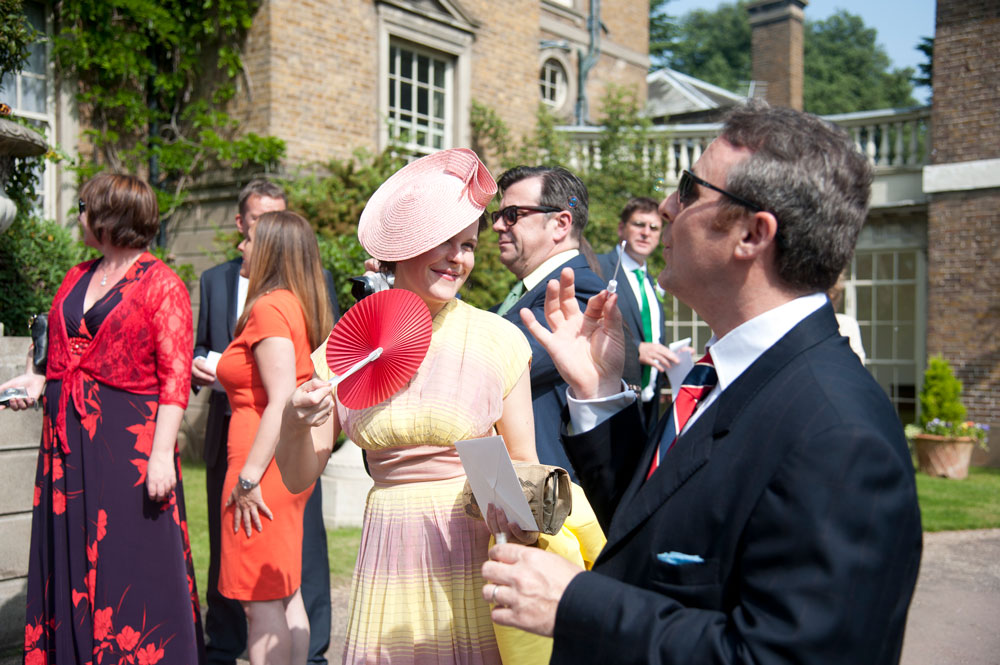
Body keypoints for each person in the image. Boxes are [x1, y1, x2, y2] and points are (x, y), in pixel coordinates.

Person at [480, 102, 923, 664]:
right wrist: (599, 394)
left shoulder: (840, 436)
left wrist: (575, 604)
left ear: (751, 234)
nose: (666, 206)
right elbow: (653, 524)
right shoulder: (728, 374)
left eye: (689, 190)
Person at [275, 148, 604, 664]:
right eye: (444, 242)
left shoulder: (498, 339)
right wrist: (295, 423)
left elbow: (524, 465)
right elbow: (297, 478)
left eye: (469, 245)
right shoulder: (347, 346)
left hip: (474, 554)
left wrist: (523, 514)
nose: (459, 257)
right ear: (402, 246)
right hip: (390, 551)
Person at [1, 174, 204, 664]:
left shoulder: (163, 285)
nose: (79, 216)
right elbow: (56, 352)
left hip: (129, 446)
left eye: (86, 207)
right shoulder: (76, 275)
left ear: (111, 217)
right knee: (67, 557)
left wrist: (160, 458)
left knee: (129, 565)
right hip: (66, 444)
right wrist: (34, 382)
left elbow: (176, 379)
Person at [192, 179, 336, 665]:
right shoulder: (294, 304)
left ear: (268, 249)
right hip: (278, 467)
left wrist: (249, 479)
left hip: (260, 468)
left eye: (250, 239)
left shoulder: (271, 308)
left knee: (260, 607)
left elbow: (277, 401)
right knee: (285, 592)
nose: (241, 246)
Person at [491, 166, 638, 480]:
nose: (498, 226)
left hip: (550, 497)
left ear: (560, 223)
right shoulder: (525, 295)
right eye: (498, 215)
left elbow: (497, 366)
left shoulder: (580, 294)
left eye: (513, 214)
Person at [597, 197, 685, 429]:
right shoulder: (598, 268)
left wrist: (671, 357)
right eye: (638, 224)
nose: (646, 232)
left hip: (648, 409)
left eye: (654, 227)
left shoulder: (651, 281)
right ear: (621, 228)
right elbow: (587, 328)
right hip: (610, 407)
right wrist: (636, 350)